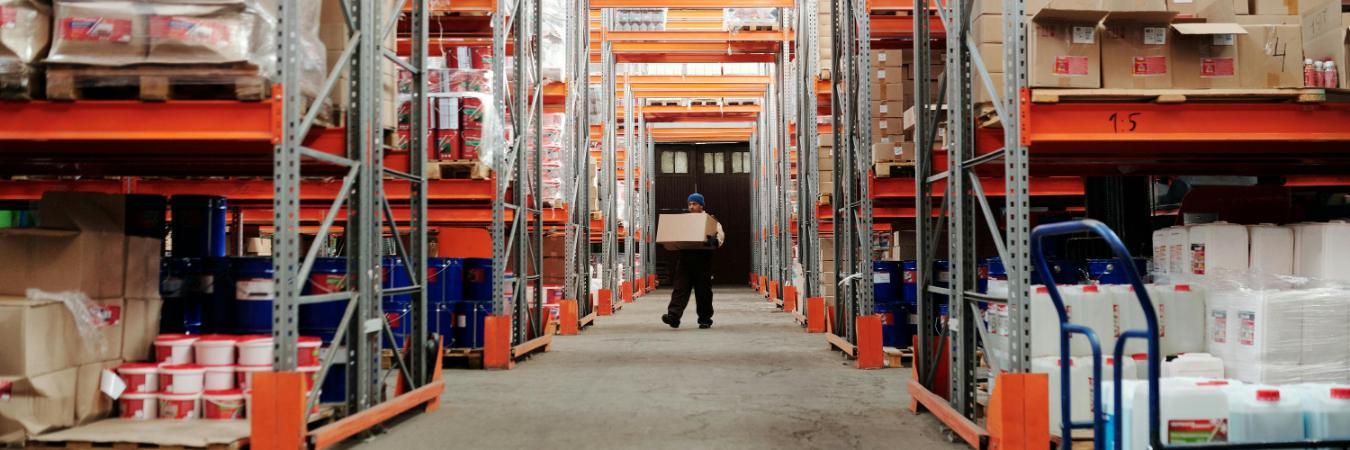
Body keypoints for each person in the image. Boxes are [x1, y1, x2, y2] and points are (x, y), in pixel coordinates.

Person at [663, 192, 725, 329]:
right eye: (689, 204)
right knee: (680, 288)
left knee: (703, 291)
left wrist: (715, 241)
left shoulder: (710, 220)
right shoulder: (684, 221)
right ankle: (673, 316)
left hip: (703, 260)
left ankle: (705, 318)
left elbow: (720, 236)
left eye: (694, 204)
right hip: (685, 259)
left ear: (701, 206)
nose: (691, 207)